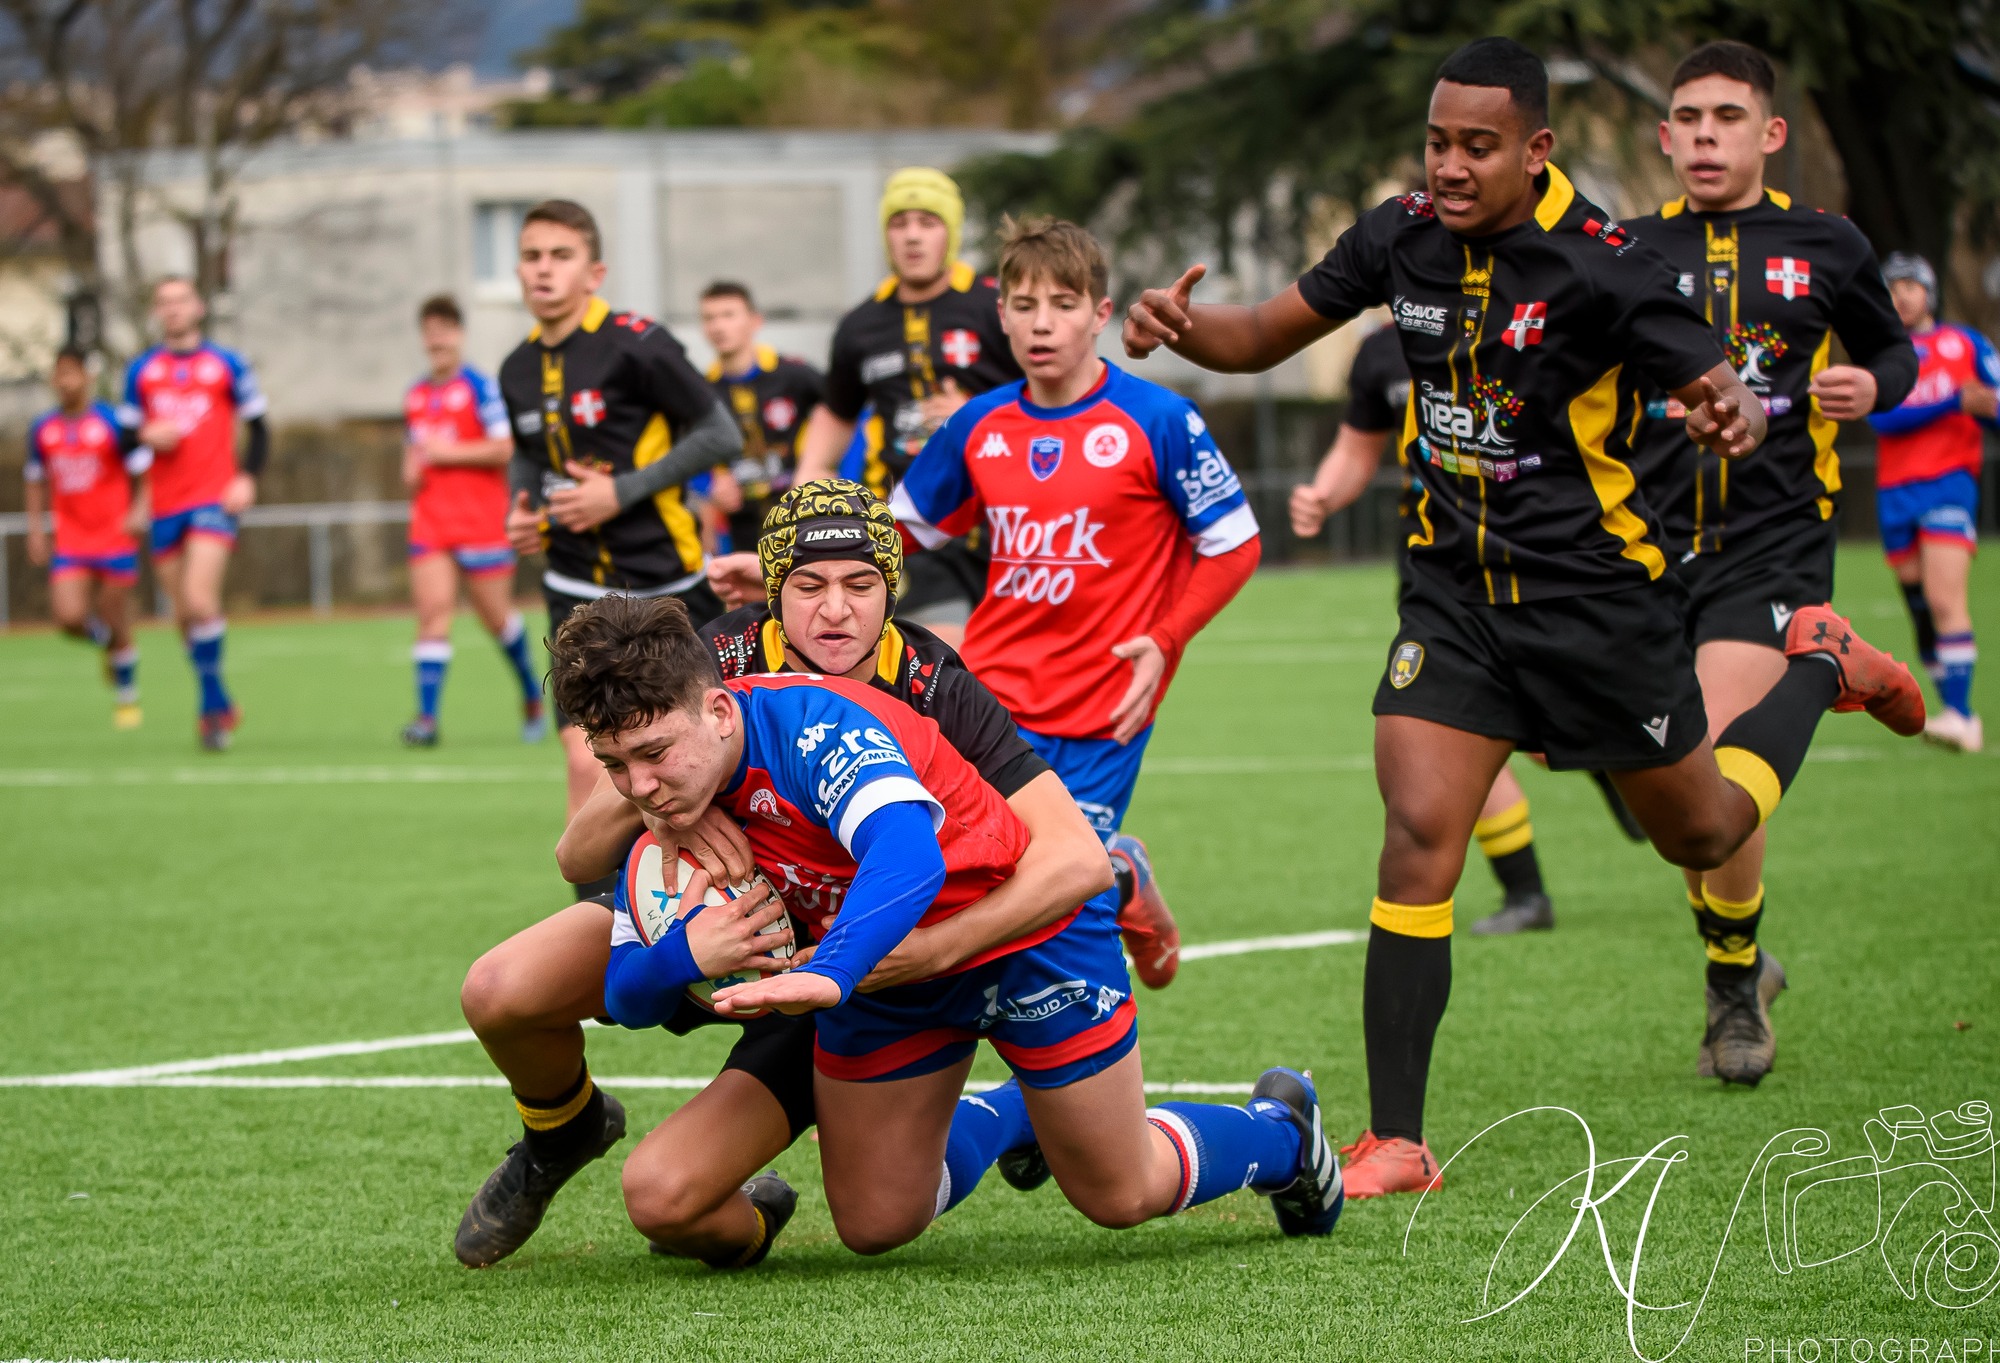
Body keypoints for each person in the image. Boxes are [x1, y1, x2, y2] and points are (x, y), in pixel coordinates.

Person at [1121, 37, 1924, 1195]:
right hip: (1452, 596)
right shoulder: (1397, 233)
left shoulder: (1605, 262)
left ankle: (1820, 665)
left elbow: (1719, 383)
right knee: (1414, 837)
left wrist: (1732, 414)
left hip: (1595, 602)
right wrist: (1177, 329)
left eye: (1476, 147)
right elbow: (1258, 335)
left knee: (1695, 837)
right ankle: (1396, 1139)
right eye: (1437, 141)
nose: (1447, 166)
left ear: (1534, 149)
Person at [555, 593, 1345, 1261]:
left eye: (654, 753)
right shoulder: (669, 815)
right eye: (616, 764)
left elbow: (908, 855)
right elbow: (624, 997)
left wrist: (831, 971)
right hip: (890, 966)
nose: (641, 786)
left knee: (1120, 1190)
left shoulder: (809, 725)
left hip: (1023, 932)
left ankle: (1284, 1134)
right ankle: (1023, 1110)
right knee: (874, 1223)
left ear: (720, 711)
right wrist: (688, 952)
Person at [454, 480, 1111, 1269]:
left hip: (846, 952)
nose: (834, 610)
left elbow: (1069, 853)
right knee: (500, 989)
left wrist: (928, 952)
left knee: (695, 1200)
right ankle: (562, 1129)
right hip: (716, 921)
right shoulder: (717, 661)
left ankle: (983, 1117)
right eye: (808, 585)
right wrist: (673, 805)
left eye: (860, 584)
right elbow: (577, 855)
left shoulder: (934, 684)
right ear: (773, 592)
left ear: (890, 588)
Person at [1620, 40, 1919, 1077]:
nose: (1704, 136)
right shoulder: (1619, 247)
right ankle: (1738, 961)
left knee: (1702, 756)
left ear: (1767, 132)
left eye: (1726, 118)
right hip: (1643, 552)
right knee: (1651, 797)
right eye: (1688, 120)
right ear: (1663, 137)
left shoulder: (1825, 244)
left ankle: (1731, 986)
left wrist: (1872, 389)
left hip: (1771, 546)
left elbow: (1893, 351)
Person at [888, 216, 1266, 991]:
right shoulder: (979, 423)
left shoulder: (1157, 420)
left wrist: (1165, 638)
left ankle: (1091, 1084)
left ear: (1099, 313)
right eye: (1024, 305)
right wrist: (781, 565)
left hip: (1102, 704)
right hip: (987, 696)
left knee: (1060, 904)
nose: (1041, 322)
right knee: (976, 873)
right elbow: (899, 531)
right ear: (1001, 313)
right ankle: (1121, 873)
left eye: (1063, 303)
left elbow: (1234, 544)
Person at [1293, 320, 1569, 936]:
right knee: (1453, 726)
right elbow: (1358, 447)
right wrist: (1323, 494)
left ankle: (1606, 758)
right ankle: (1527, 893)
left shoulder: (1532, 317)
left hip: (1550, 563)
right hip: (1435, 572)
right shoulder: (1379, 349)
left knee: (1573, 729)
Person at [498, 199, 744, 858]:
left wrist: (623, 491)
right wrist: (519, 506)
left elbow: (721, 432)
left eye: (560, 255)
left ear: (594, 271)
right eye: (531, 256)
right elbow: (527, 449)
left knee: (691, 755)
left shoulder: (639, 344)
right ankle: (605, 923)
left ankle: (729, 902)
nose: (543, 270)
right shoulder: (516, 368)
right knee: (588, 762)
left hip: (668, 583)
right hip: (571, 584)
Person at [788, 167, 1022, 643]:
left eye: (927, 221)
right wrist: (806, 482)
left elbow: (1052, 404)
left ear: (951, 232)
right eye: (899, 223)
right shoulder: (861, 324)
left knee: (1008, 682)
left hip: (1006, 524)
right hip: (907, 528)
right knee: (944, 660)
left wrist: (975, 413)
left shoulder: (997, 307)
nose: (912, 235)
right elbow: (836, 412)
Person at [1870, 251, 2000, 754]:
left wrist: (1990, 409)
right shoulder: (1883, 350)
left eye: (1911, 285)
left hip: (1950, 485)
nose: (1902, 296)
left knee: (1943, 599)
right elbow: (1880, 418)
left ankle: (1961, 714)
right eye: (1892, 288)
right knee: (1920, 611)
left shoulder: (1966, 343)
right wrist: (1951, 402)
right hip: (1895, 491)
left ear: (1928, 292)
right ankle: (1951, 713)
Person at [118, 276, 269, 751]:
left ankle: (209, 715)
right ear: (157, 313)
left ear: (198, 307)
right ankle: (220, 700)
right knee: (183, 615)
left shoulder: (225, 364)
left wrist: (246, 476)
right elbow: (121, 440)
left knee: (200, 601)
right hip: (165, 505)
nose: (173, 309)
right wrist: (145, 434)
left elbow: (260, 426)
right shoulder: (141, 372)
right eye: (164, 302)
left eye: (181, 300)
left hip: (212, 499)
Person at [399, 295, 546, 748]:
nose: (436, 338)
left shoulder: (480, 387)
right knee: (432, 615)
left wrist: (448, 453)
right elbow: (412, 456)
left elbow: (504, 448)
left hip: (481, 522)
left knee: (496, 620)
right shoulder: (416, 395)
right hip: (431, 524)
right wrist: (409, 470)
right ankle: (426, 720)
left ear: (459, 335)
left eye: (444, 328)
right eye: (430, 330)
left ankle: (530, 693)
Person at [24, 347, 151, 728]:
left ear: (87, 377)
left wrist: (141, 509)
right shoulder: (43, 429)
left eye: (73, 373)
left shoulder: (112, 423)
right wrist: (36, 528)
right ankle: (107, 645)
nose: (66, 382)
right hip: (72, 540)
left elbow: (145, 471)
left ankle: (127, 698)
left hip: (115, 536)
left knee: (115, 613)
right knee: (68, 617)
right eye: (59, 374)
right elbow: (34, 481)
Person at [695, 280, 824, 553]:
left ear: (754, 321)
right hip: (740, 530)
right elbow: (682, 451)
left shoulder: (793, 374)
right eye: (709, 318)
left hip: (804, 519)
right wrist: (710, 486)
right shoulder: (701, 390)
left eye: (728, 315)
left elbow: (849, 416)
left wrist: (819, 469)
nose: (718, 326)